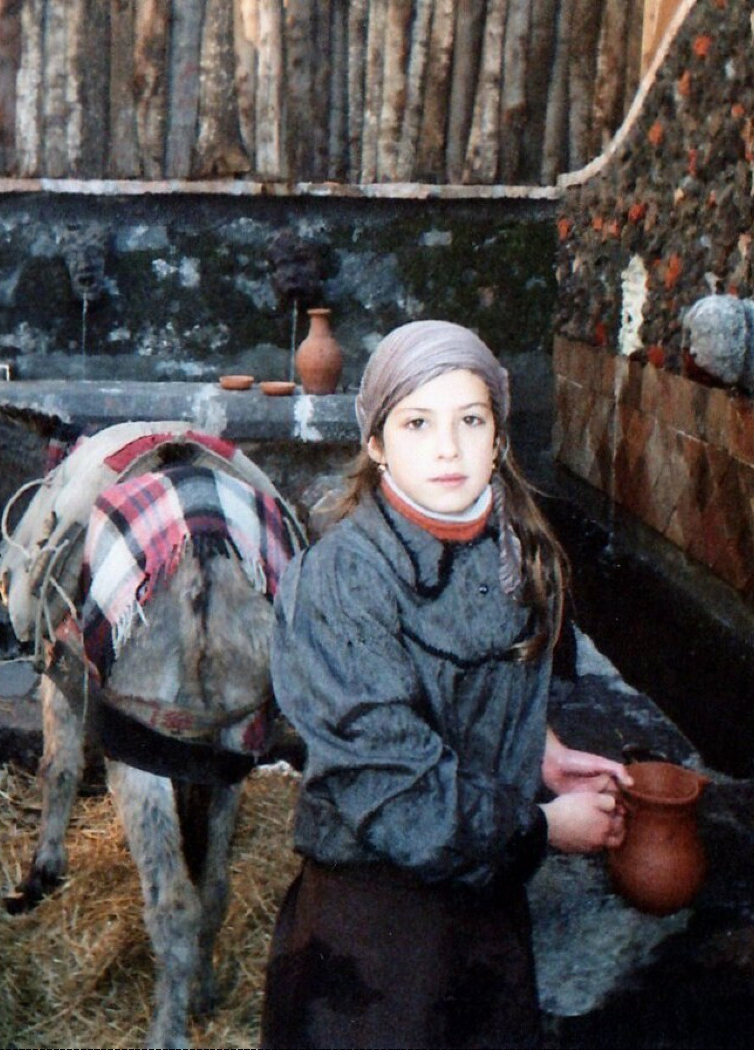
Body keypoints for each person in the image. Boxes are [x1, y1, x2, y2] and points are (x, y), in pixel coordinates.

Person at [261, 320, 632, 1049]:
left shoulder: (516, 551)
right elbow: (399, 792)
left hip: (488, 916)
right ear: (376, 442)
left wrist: (539, 749)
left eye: (470, 420)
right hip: (371, 938)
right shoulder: (341, 581)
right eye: (417, 423)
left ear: (498, 436)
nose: (447, 449)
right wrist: (544, 828)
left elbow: (474, 682)